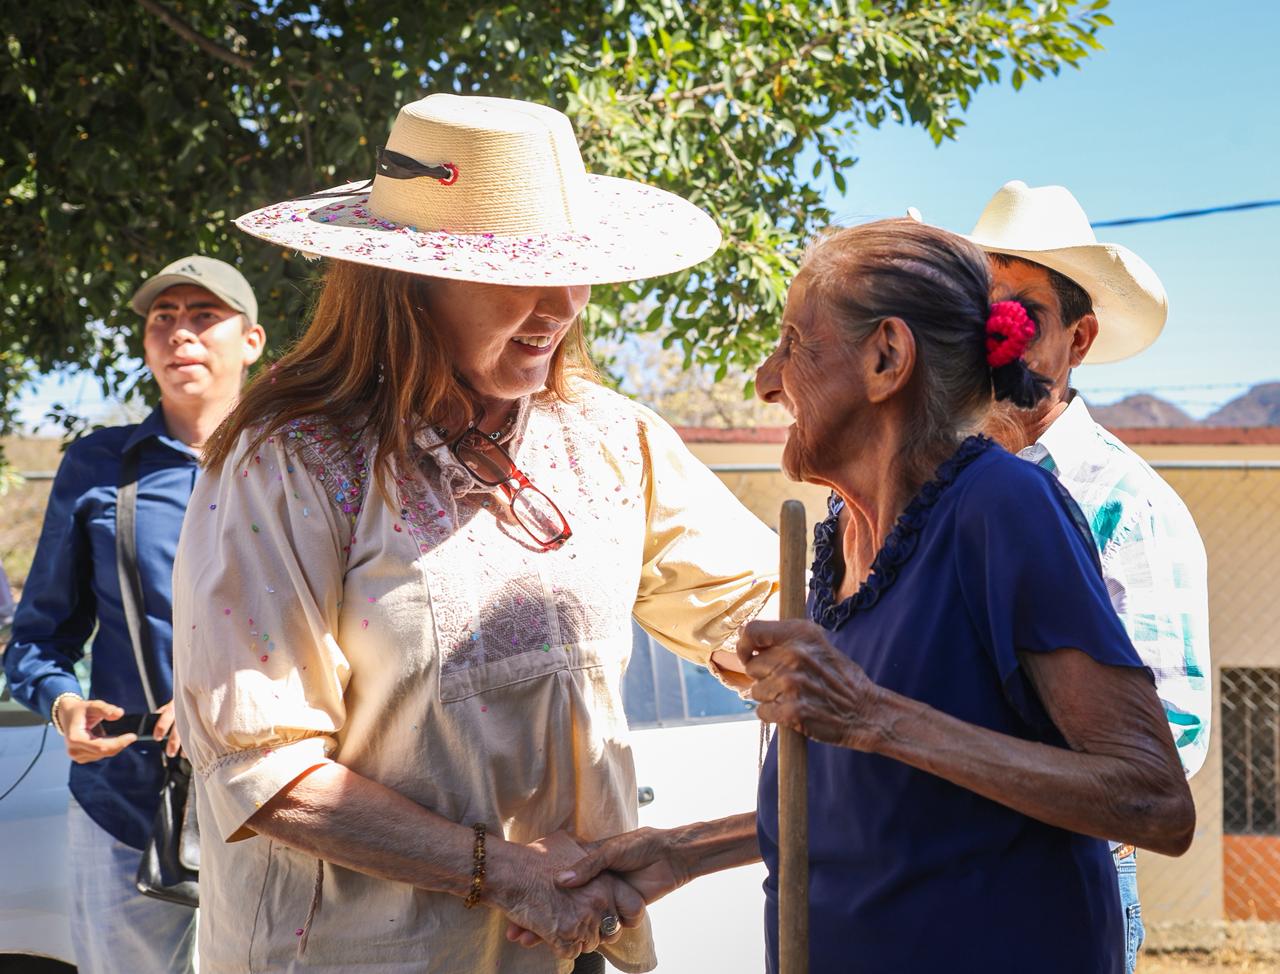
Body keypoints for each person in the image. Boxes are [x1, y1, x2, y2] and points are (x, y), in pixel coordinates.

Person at [171, 93, 778, 974]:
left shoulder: (610, 439)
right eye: (517, 271)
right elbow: (261, 768)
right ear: (407, 284)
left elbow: (758, 609)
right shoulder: (289, 462)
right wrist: (503, 874)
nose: (564, 303)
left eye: (574, 267)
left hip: (561, 953)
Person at [540, 219, 1195, 974]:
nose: (765, 379)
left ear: (887, 357)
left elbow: (1151, 799)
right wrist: (679, 853)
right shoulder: (844, 537)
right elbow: (883, 792)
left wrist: (874, 715)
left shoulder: (1002, 508)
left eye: (794, 343)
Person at [966, 180, 1211, 972]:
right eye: (983, 306)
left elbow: (1168, 736)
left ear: (1081, 338)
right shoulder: (944, 489)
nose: (996, 331)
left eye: (1025, 310)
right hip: (936, 872)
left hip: (1061, 878)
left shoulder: (1126, 506)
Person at [3, 255, 265, 974]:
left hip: (276, 807)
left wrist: (225, 703)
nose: (181, 332)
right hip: (125, 809)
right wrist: (62, 708)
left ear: (252, 340)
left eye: (204, 316)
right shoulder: (98, 467)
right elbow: (36, 642)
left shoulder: (294, 465)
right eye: (163, 318)